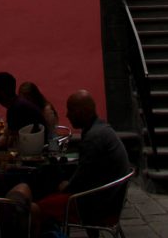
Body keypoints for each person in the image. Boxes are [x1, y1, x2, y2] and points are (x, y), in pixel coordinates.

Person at [37, 90, 132, 227]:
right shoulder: (101, 128)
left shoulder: (93, 137)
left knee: (37, 208)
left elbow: (81, 179)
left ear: (83, 111)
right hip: (111, 200)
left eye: (71, 110)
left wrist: (66, 186)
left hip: (97, 207)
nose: (67, 115)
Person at [0, 71, 45, 148]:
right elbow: (6, 135)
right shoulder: (18, 104)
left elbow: (9, 141)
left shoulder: (16, 108)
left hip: (33, 153)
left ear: (2, 92)